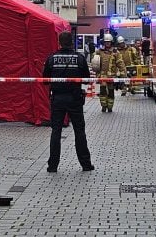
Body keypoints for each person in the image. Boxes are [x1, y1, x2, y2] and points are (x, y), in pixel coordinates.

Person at [43, 31, 94, 173]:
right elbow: (86, 79)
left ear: (59, 43)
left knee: (56, 132)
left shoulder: (52, 58)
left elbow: (45, 79)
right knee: (79, 131)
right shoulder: (80, 58)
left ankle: (52, 165)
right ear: (72, 42)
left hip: (58, 99)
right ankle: (86, 164)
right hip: (75, 99)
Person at [96, 33, 126, 112]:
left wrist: (123, 75)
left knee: (111, 92)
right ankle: (103, 106)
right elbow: (95, 63)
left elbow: (120, 64)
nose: (107, 43)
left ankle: (110, 107)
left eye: (109, 42)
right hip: (102, 76)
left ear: (112, 42)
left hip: (112, 76)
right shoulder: (99, 51)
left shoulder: (115, 52)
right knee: (102, 92)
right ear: (104, 42)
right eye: (106, 42)